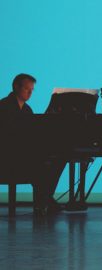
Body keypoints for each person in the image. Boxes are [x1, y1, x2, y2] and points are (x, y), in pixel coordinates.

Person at [0, 73, 65, 215]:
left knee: (58, 159)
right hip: (8, 157)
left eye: (32, 90)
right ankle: (45, 200)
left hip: (23, 154)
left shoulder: (28, 110)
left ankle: (45, 198)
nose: (30, 92)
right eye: (26, 89)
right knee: (43, 164)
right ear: (16, 87)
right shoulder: (3, 106)